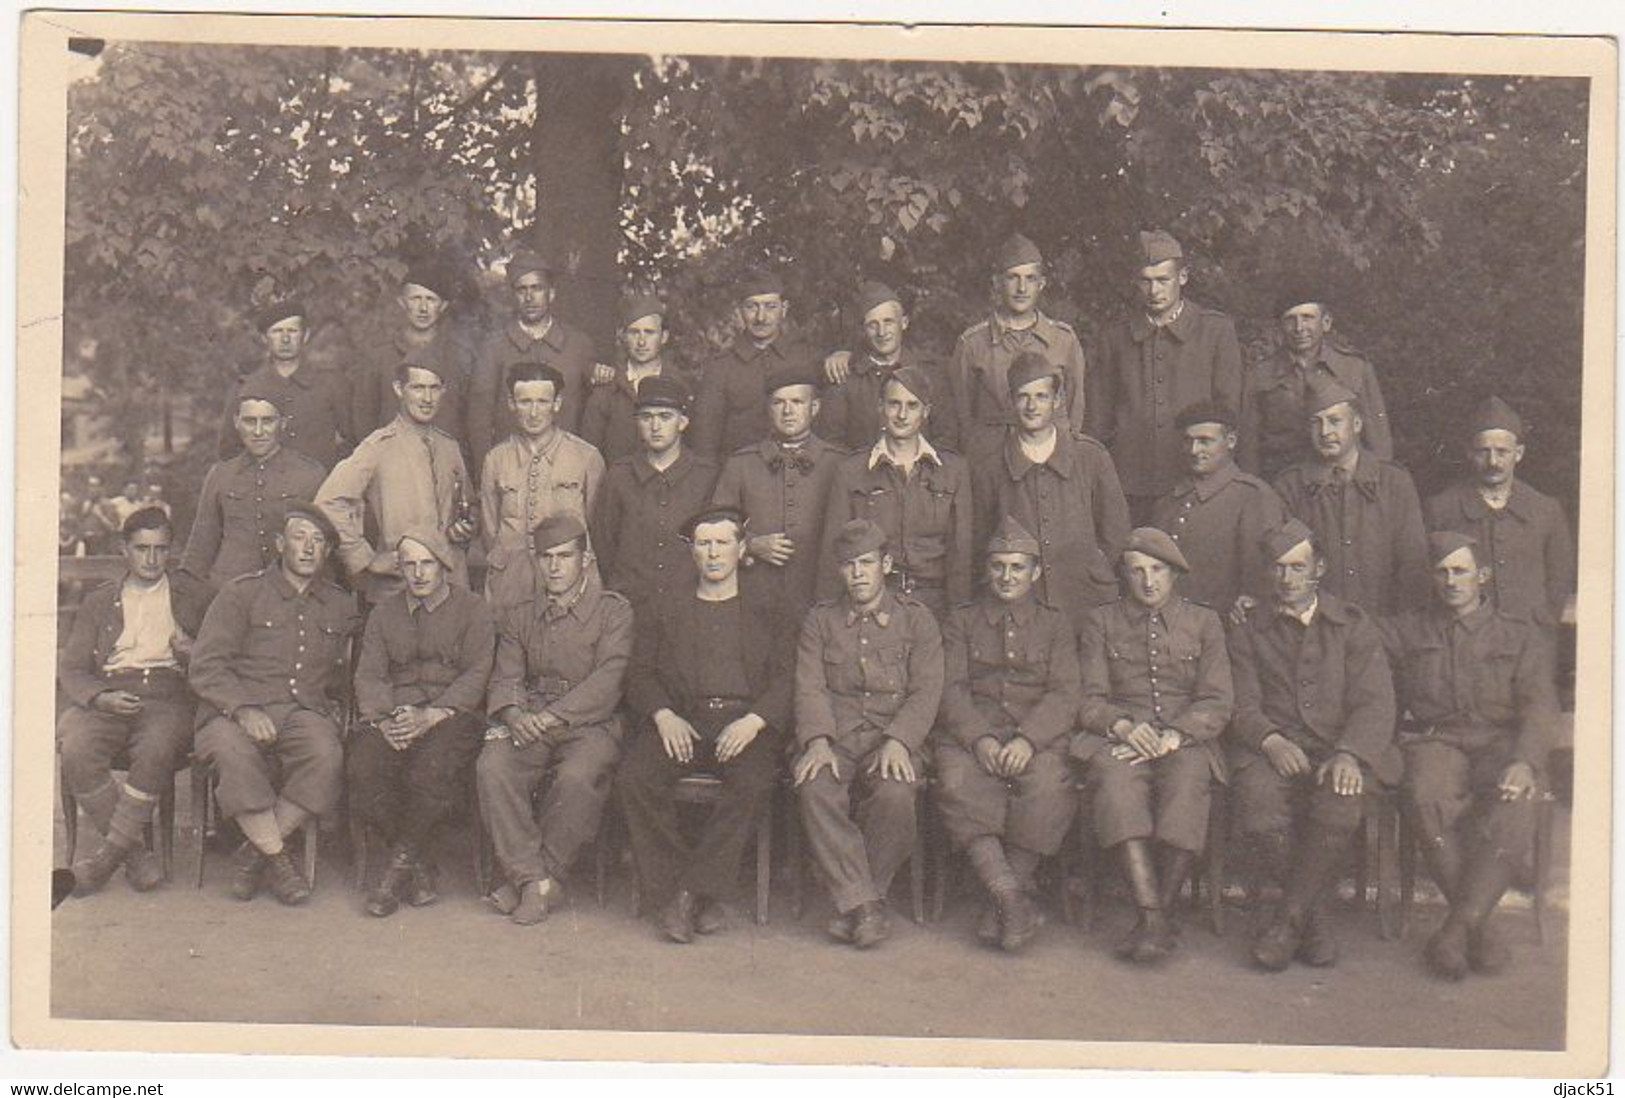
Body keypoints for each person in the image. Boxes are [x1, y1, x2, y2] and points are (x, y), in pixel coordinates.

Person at [1378, 533, 1559, 979]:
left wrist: (1526, 760)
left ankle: (1457, 929)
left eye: (1460, 571)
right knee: (1423, 793)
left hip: (1499, 743)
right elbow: (1350, 626)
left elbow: (1540, 705)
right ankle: (1478, 927)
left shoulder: (1519, 634)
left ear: (1483, 576)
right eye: (1441, 572)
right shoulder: (1409, 628)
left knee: (1517, 799)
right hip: (1437, 740)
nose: (1451, 580)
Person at [1226, 519, 1400, 971]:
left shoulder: (1352, 625)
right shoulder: (1248, 627)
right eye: (1278, 568)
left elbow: (1375, 702)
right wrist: (1270, 740)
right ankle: (1315, 920)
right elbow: (1241, 702)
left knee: (1341, 801)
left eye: (1297, 567)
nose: (1287, 579)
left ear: (1318, 568)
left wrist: (1349, 753)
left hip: (1337, 747)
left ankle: (1288, 922)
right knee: (1259, 805)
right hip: (1274, 746)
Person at [617, 506, 794, 942]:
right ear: (692, 551)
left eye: (721, 543)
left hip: (744, 722)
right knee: (635, 778)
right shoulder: (666, 604)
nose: (713, 553)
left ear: (740, 548)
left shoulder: (768, 605)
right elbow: (639, 673)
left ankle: (689, 893)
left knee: (752, 784)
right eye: (703, 544)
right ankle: (686, 891)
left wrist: (754, 722)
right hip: (686, 719)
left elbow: (788, 674)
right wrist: (663, 715)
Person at [1074, 528, 1233, 963]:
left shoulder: (1204, 622)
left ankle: (1153, 920)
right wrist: (1121, 726)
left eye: (1158, 570)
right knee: (1113, 778)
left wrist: (1176, 735)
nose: (1148, 581)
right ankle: (1154, 915)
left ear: (1175, 573)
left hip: (1185, 739)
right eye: (1137, 571)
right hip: (1123, 738)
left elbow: (1217, 700)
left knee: (1188, 780)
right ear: (1123, 575)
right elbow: (1088, 700)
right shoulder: (1100, 621)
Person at [189, 502, 361, 905]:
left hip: (302, 711)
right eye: (300, 537)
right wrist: (243, 709)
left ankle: (257, 853)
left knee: (326, 752)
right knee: (232, 751)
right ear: (280, 543)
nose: (308, 548)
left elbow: (354, 669)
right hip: (234, 709)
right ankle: (279, 861)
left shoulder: (339, 604)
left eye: (318, 541)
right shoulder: (242, 593)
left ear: (326, 553)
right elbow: (206, 666)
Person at [475, 515, 633, 926]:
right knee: (493, 767)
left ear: (586, 559)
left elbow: (608, 680)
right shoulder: (520, 614)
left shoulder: (612, 611)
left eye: (565, 556)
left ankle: (533, 879)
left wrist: (548, 717)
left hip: (588, 722)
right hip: (529, 717)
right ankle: (536, 881)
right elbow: (506, 674)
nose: (555, 567)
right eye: (546, 558)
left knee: (578, 778)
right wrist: (512, 713)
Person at [795, 518, 945, 949]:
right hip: (837, 737)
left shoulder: (918, 621)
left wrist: (900, 740)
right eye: (848, 565)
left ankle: (858, 902)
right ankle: (867, 907)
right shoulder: (820, 621)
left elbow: (926, 688)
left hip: (890, 736)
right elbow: (809, 684)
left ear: (887, 564)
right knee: (814, 787)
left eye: (866, 563)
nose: (858, 573)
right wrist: (818, 740)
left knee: (897, 794)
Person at [933, 517, 1081, 952]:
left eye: (1018, 568)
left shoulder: (1055, 625)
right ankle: (1011, 898)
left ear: (1036, 572)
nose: (1007, 577)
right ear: (986, 569)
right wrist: (980, 738)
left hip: (1036, 738)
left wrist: (1027, 740)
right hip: (972, 736)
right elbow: (950, 689)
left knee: (1050, 787)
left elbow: (1065, 693)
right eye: (998, 566)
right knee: (958, 782)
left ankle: (1002, 898)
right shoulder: (961, 621)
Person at [57, 507, 214, 895]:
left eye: (161, 549)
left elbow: (220, 659)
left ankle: (107, 858)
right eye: (142, 548)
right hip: (111, 693)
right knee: (76, 746)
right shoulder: (99, 601)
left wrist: (191, 649)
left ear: (170, 551)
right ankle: (135, 856)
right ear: (123, 549)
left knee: (157, 746)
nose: (151, 559)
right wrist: (101, 697)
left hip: (168, 695)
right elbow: (72, 667)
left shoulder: (194, 597)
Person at [347, 531, 496, 918]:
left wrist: (433, 714)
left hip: (452, 715)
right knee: (363, 770)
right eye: (409, 564)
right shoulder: (383, 614)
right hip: (395, 715)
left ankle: (394, 876)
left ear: (444, 566)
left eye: (427, 563)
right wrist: (382, 720)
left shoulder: (474, 610)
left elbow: (477, 674)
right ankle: (418, 863)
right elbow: (370, 674)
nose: (418, 573)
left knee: (430, 771)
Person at [1086, 231, 1245, 521]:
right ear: (1136, 282)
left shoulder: (1215, 332)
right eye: (1146, 281)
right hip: (1129, 482)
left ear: (1182, 277)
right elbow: (1098, 417)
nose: (1154, 291)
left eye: (1163, 280)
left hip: (1194, 477)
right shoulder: (1114, 337)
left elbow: (1229, 410)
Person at [972, 351, 1130, 634]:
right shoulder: (991, 467)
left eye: (1041, 397)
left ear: (1057, 401)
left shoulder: (1090, 456)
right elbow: (981, 537)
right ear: (1010, 401)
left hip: (1085, 601)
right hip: (1022, 607)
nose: (1032, 406)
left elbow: (1115, 531)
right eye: (1023, 396)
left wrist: (1095, 571)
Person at [315, 360, 475, 604]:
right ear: (399, 389)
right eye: (418, 388)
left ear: (444, 390)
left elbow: (467, 508)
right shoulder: (378, 446)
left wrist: (463, 529)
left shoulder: (449, 447)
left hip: (451, 588)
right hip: (400, 589)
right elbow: (328, 502)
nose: (427, 398)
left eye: (434, 388)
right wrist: (365, 559)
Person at [819, 365, 973, 618]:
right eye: (894, 404)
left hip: (933, 607)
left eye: (912, 405)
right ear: (880, 407)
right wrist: (830, 620)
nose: (902, 414)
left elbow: (961, 558)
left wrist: (958, 621)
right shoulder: (850, 471)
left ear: (927, 412)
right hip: (872, 603)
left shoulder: (953, 470)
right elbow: (833, 552)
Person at [1273, 377, 1428, 617]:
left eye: (1335, 421)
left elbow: (1413, 567)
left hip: (1384, 627)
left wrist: (1398, 632)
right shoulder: (1290, 486)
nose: (1325, 432)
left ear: (1356, 424)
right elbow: (1282, 569)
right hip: (1315, 629)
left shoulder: (1394, 482)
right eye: (1316, 423)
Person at [1424, 396, 1575, 631]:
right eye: (1483, 451)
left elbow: (1559, 579)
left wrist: (1542, 626)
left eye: (1502, 451)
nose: (1493, 461)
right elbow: (1426, 581)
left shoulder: (1546, 510)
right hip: (1461, 643)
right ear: (1468, 453)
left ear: (1519, 453)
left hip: (1530, 643)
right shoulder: (1441, 509)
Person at [710, 361, 845, 613]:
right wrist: (751, 544)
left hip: (821, 600)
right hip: (755, 599)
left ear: (814, 407)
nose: (788, 411)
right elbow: (716, 528)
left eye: (797, 402)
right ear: (768, 409)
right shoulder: (741, 463)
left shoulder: (838, 463)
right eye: (778, 403)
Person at [945, 233, 1088, 460]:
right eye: (1013, 277)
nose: (1022, 288)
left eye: (1030, 279)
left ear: (1041, 284)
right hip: (992, 461)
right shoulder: (972, 345)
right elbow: (961, 416)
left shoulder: (1064, 340)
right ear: (997, 282)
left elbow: (1074, 410)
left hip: (1051, 459)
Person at [478, 362, 605, 610]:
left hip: (571, 588)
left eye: (543, 402)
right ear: (511, 403)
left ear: (557, 403)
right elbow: (490, 530)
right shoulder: (496, 459)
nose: (534, 412)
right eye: (525, 402)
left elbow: (596, 528)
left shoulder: (586, 457)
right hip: (510, 587)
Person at [591, 375, 721, 613]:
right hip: (630, 605)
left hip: (688, 605)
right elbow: (604, 543)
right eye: (646, 417)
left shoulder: (706, 476)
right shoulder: (619, 475)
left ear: (683, 422)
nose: (655, 426)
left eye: (665, 417)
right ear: (636, 422)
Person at [1150, 400, 1287, 620]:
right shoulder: (1169, 501)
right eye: (1188, 441)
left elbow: (1262, 578)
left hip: (1228, 626)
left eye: (1205, 441)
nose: (1194, 450)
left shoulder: (1253, 496)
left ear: (1230, 441)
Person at [1239, 290, 1393, 483]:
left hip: (1344, 482)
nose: (1299, 328)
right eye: (1290, 320)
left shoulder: (1354, 368)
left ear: (1326, 323)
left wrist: (1377, 486)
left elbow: (1378, 441)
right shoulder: (1259, 376)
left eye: (1308, 318)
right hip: (1282, 482)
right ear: (1279, 327)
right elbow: (1248, 448)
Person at [469, 250, 601, 470]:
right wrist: (487, 474)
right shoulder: (493, 347)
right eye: (522, 290)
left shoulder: (578, 345)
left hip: (566, 470)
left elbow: (594, 416)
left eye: (537, 288)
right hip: (510, 471)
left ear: (551, 293)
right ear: (513, 296)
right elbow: (479, 419)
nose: (529, 298)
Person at [181, 392, 326, 586]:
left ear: (282, 423)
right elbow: (201, 544)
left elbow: (325, 545)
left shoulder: (310, 474)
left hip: (289, 589)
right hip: (229, 588)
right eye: (250, 421)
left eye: (267, 421)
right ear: (236, 422)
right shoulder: (221, 474)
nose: (258, 431)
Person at [349, 262, 477, 453]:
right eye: (416, 298)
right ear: (402, 302)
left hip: (444, 464)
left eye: (431, 300)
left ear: (443, 306)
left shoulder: (461, 357)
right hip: (393, 464)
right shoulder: (379, 357)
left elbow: (472, 420)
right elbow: (363, 418)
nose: (423, 308)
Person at [691, 267, 815, 459]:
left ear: (784, 309)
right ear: (740, 311)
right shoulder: (720, 368)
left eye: (770, 307)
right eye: (752, 307)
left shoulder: (806, 358)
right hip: (739, 478)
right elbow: (704, 442)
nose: (761, 317)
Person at [218, 300, 352, 470]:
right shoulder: (246, 387)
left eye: (292, 331)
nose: (286, 339)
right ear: (264, 337)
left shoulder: (331, 383)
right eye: (277, 331)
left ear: (305, 335)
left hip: (320, 491)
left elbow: (355, 443)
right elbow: (229, 451)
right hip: (264, 492)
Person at [817, 280, 943, 451]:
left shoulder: (929, 373)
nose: (881, 332)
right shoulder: (844, 375)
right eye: (872, 325)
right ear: (863, 329)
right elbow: (832, 444)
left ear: (904, 323)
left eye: (888, 322)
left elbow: (945, 438)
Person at [580, 294, 696, 464]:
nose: (642, 341)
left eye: (649, 333)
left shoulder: (680, 385)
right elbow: (590, 450)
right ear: (623, 335)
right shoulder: (607, 387)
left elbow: (692, 445)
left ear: (663, 337)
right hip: (615, 482)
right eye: (634, 332)